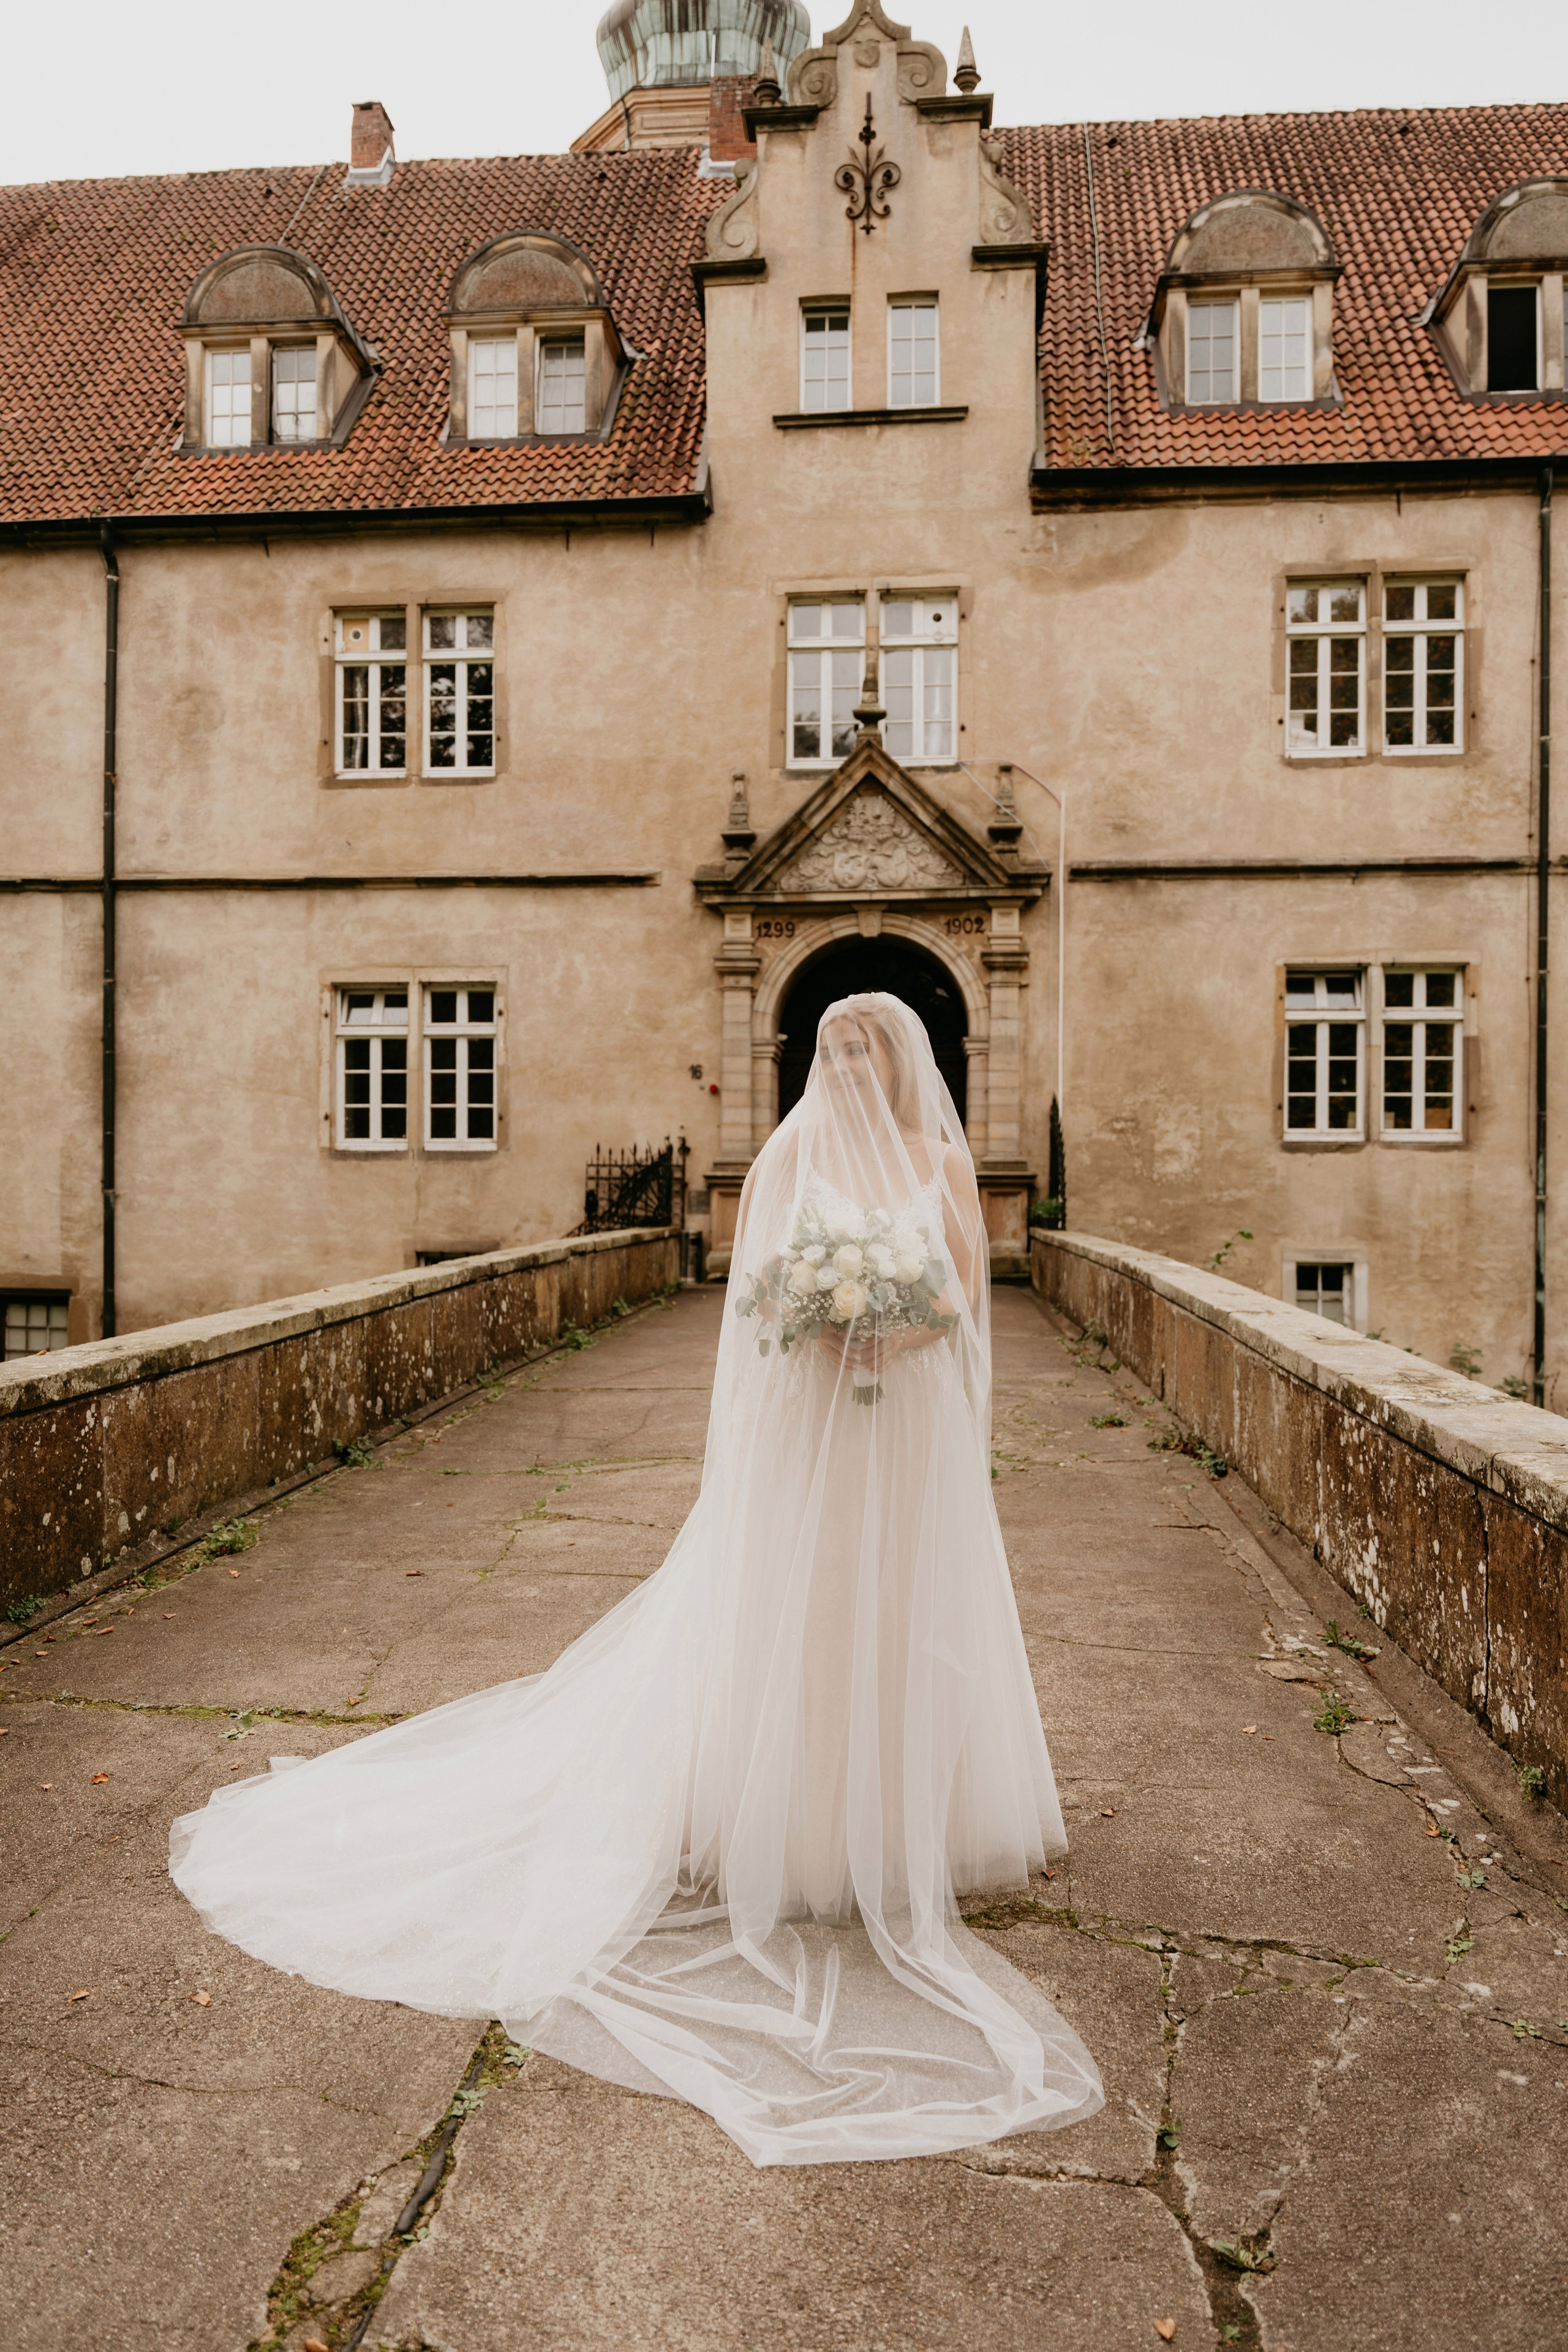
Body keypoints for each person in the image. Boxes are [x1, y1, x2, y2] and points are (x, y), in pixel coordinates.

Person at [170, 992, 1102, 2165]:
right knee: (800, 1611)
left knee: (908, 1609)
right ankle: (796, 1828)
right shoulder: (786, 1156)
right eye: (838, 1049)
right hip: (811, 1418)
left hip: (902, 1425)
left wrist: (895, 1331)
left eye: (871, 1051)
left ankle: (912, 1816)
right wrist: (824, 1325)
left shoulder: (936, 1159)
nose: (853, 1067)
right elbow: (752, 1297)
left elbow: (967, 1288)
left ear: (906, 1064)